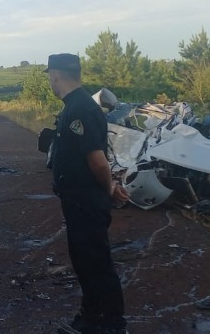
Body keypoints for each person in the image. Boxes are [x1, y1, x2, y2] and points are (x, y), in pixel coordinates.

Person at [45, 53, 130, 334]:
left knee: (97, 264)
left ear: (56, 75)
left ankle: (114, 325)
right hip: (77, 201)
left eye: (49, 76)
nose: (50, 81)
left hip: (86, 202)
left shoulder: (80, 109)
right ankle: (91, 318)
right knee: (85, 263)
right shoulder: (75, 106)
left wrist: (109, 188)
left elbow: (97, 160)